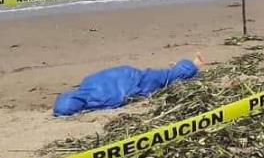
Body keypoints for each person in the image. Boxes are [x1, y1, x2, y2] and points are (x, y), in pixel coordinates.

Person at [54, 54, 205, 116]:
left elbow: (65, 108)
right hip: (128, 75)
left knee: (167, 77)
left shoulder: (95, 99)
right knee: (165, 76)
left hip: (134, 81)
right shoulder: (87, 82)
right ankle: (182, 66)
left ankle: (193, 64)